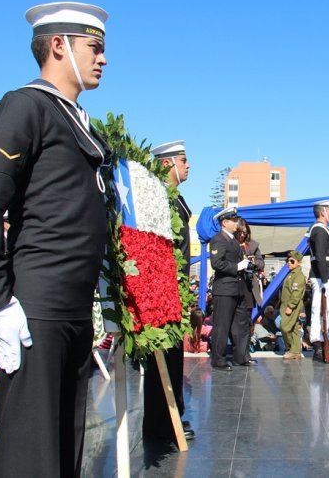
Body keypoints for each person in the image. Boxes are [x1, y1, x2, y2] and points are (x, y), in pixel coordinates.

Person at [0, 2, 110, 477]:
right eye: (95, 47)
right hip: (36, 310)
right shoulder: (25, 106)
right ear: (59, 45)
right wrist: (1, 303)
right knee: (30, 456)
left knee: (63, 451)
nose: (103, 59)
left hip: (72, 308)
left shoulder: (76, 119)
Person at [144, 139, 195, 442]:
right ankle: (161, 424)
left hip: (175, 288)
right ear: (167, 163)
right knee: (164, 358)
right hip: (164, 288)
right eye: (184, 160)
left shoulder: (175, 197)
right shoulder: (159, 196)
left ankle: (169, 418)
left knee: (173, 358)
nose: (188, 165)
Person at [209, 207, 252, 371]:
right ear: (224, 222)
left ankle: (240, 357)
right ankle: (218, 359)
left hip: (238, 288)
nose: (236, 223)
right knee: (222, 325)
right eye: (233, 220)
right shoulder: (218, 239)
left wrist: (246, 265)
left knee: (240, 325)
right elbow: (217, 263)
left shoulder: (233, 241)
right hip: (225, 289)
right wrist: (237, 266)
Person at [308, 199, 329, 362]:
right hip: (322, 275)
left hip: (325, 274)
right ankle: (318, 345)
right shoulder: (319, 230)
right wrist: (325, 279)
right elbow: (319, 256)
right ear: (322, 212)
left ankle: (323, 342)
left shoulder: (322, 230)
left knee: (324, 311)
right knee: (319, 309)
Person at [235, 217, 264, 363]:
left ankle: (245, 355)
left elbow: (261, 262)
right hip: (233, 286)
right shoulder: (230, 243)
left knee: (247, 323)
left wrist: (253, 262)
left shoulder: (252, 245)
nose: (242, 235)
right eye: (240, 232)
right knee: (233, 324)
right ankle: (237, 354)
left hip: (248, 287)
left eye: (245, 232)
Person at [280, 250, 306, 359]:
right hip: (286, 304)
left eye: (292, 261)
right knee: (295, 328)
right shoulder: (291, 274)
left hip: (292, 305)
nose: (289, 263)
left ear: (299, 263)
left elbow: (296, 293)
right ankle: (296, 351)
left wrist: (290, 306)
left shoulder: (298, 275)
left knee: (284, 327)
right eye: (288, 260)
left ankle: (291, 348)